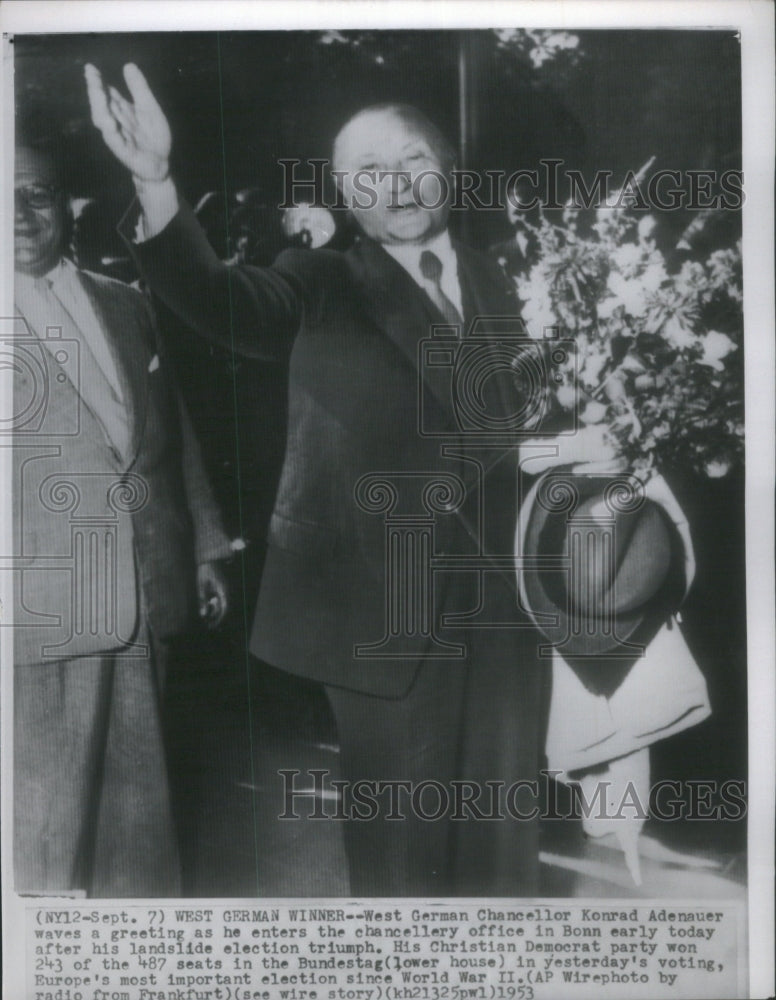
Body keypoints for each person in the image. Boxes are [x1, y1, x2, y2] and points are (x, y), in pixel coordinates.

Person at [84, 63, 685, 896]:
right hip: (377, 612)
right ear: (342, 194)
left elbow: (568, 403)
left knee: (502, 849)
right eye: (367, 172)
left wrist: (611, 445)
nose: (394, 185)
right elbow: (220, 301)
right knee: (403, 858)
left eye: (411, 161)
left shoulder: (521, 278)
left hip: (513, 603)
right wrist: (155, 181)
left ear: (448, 168)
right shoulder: (320, 281)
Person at [11, 143, 232, 897]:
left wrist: (204, 545)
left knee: (141, 828)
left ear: (69, 207)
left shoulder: (124, 300)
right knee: (43, 833)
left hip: (148, 584)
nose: (18, 212)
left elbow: (172, 434)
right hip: (38, 611)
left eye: (36, 192)